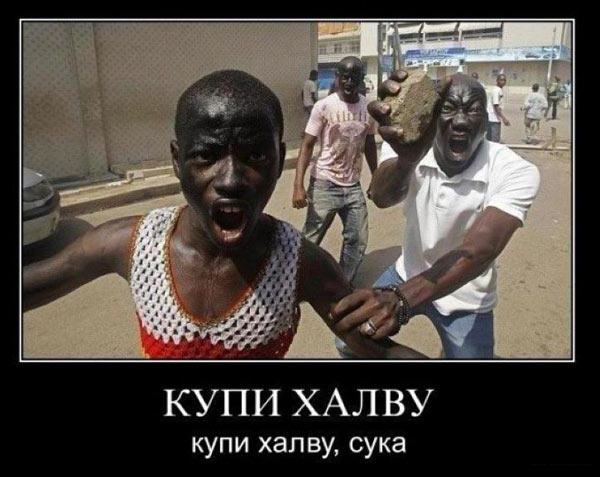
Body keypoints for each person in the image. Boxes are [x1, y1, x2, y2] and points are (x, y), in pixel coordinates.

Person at [23, 70, 425, 360]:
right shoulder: (131, 245)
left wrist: (408, 158)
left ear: (277, 159)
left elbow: (379, 350)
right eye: (206, 156)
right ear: (177, 160)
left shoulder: (299, 263)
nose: (231, 179)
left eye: (255, 155)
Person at [331, 71, 540, 359]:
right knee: (347, 342)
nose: (461, 121)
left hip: (466, 292)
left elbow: (481, 249)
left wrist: (401, 299)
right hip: (407, 272)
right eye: (448, 109)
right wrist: (407, 160)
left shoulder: (515, 170)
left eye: (473, 110)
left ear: (486, 120)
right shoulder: (409, 145)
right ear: (431, 116)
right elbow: (380, 197)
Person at [292, 56, 378, 283]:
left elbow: (369, 143)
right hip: (324, 183)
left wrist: (376, 177)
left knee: (357, 239)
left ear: (361, 79)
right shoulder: (324, 106)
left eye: (354, 77)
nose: (349, 82)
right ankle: (295, 281)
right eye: (345, 77)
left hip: (353, 186)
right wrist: (298, 185)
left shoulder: (368, 108)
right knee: (311, 239)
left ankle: (343, 282)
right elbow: (307, 145)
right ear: (338, 78)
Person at [486, 73, 510, 142]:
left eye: (504, 80)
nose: (503, 82)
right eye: (501, 80)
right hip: (493, 118)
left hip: (493, 118)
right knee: (494, 140)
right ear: (497, 80)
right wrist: (504, 118)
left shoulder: (499, 90)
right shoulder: (496, 91)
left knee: (491, 140)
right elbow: (496, 106)